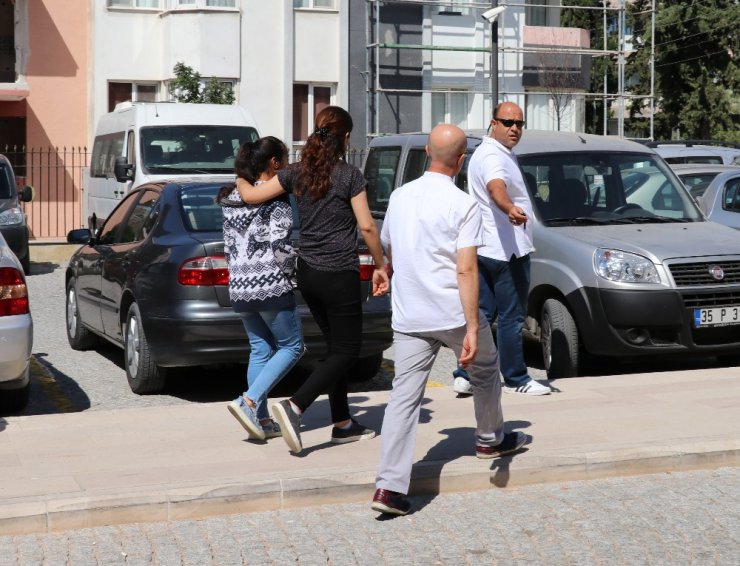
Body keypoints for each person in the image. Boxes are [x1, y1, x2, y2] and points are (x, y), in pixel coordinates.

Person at [371, 124, 527, 517]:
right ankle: (490, 439)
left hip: (410, 314)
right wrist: (474, 327)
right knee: (487, 369)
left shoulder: (400, 196)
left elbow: (390, 243)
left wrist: (386, 269)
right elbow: (466, 270)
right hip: (453, 313)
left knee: (403, 398)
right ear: (461, 161)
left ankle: (388, 487)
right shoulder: (463, 204)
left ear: (426, 151)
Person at [235, 106, 390, 454]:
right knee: (348, 351)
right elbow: (367, 226)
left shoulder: (295, 173)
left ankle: (343, 423)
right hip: (339, 274)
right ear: (346, 137)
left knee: (336, 349)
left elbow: (250, 195)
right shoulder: (349, 175)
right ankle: (295, 406)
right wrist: (382, 264)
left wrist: (239, 176)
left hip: (308, 273)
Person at [453, 102, 552, 396]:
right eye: (508, 122)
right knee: (511, 317)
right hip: (507, 251)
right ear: (493, 123)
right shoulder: (495, 157)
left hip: (485, 247)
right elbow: (497, 188)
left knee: (481, 314)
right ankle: (516, 379)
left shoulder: (484, 152)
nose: (514, 129)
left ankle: (465, 374)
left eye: (519, 124)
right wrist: (509, 208)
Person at [218, 136, 305, 441]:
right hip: (270, 283)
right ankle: (249, 401)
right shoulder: (276, 200)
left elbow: (229, 247)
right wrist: (295, 274)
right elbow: (280, 245)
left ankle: (262, 420)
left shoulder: (231, 200)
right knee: (292, 347)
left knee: (261, 348)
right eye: (284, 159)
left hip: (239, 285)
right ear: (274, 164)